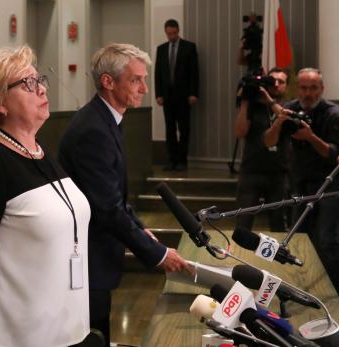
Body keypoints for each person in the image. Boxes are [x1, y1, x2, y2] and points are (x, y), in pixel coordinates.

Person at [0, 45, 92, 346]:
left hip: (65, 328)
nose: (41, 90)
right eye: (28, 84)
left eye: (40, 81)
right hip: (13, 336)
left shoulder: (39, 151)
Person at [58, 43, 194, 345]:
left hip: (97, 254)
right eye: (136, 79)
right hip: (86, 260)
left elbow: (113, 195)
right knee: (91, 337)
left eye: (145, 79)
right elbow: (106, 208)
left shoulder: (106, 120)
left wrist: (142, 230)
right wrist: (157, 254)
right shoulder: (93, 128)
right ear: (108, 82)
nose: (145, 88)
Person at [265, 68, 339, 312]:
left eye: (313, 88)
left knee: (327, 241)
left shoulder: (334, 114)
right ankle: (299, 297)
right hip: (300, 184)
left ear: (322, 89)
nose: (308, 93)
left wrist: (311, 137)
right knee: (299, 241)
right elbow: (268, 142)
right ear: (297, 89)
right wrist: (279, 122)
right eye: (303, 88)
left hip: (331, 185)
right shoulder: (289, 110)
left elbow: (337, 157)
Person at [233, 67, 289, 233]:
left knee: (278, 225)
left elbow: (287, 118)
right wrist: (245, 102)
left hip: (279, 173)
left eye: (281, 82)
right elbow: (240, 132)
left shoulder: (289, 106)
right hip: (251, 171)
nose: (276, 84)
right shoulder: (253, 107)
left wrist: (270, 102)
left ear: (287, 86)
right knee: (243, 223)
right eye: (272, 81)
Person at [154, 19, 199, 171]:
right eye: (169, 34)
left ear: (178, 31)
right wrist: (158, 94)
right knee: (170, 128)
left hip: (184, 95)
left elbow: (194, 72)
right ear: (165, 32)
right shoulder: (161, 49)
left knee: (184, 129)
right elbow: (158, 73)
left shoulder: (189, 47)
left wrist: (193, 93)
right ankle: (171, 160)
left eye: (173, 33)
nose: (171, 36)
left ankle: (182, 161)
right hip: (167, 95)